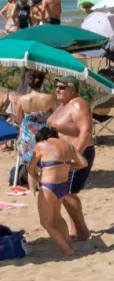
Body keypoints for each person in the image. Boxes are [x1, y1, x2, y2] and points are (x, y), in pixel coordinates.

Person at [27, 124, 88, 256]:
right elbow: (83, 163)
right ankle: (68, 246)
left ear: (42, 138)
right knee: (57, 217)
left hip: (49, 187)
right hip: (63, 186)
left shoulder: (42, 145)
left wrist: (37, 178)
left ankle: (66, 249)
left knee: (46, 222)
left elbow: (30, 168)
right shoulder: (69, 146)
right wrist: (68, 166)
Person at [45, 79, 95, 216]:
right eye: (56, 87)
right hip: (62, 156)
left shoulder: (78, 104)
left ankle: (80, 228)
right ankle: (76, 228)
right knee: (63, 193)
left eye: (62, 87)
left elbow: (86, 131)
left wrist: (75, 155)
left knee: (68, 194)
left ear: (73, 90)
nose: (57, 90)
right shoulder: (62, 105)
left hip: (77, 153)